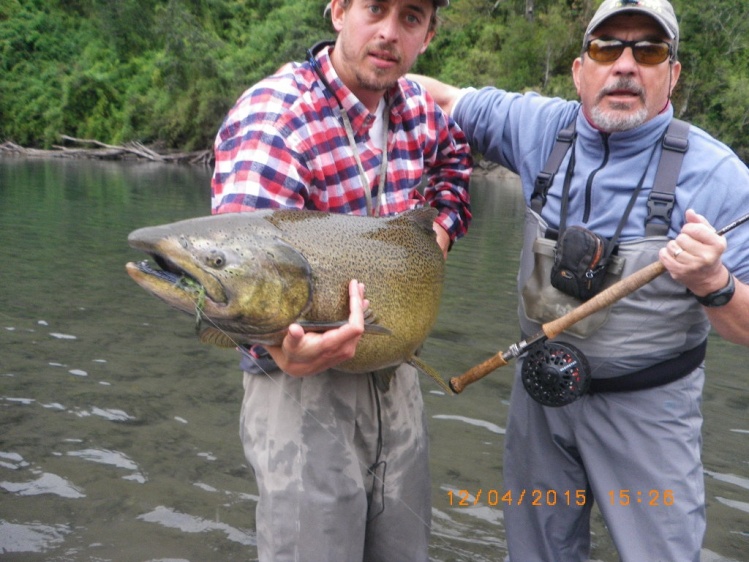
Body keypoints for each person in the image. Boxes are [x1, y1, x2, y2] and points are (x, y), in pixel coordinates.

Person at [411, 0, 749, 560]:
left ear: (673, 72)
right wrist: (325, 75)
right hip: (538, 398)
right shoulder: (540, 128)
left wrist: (714, 281)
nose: (625, 65)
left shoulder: (721, 179)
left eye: (649, 50)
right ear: (579, 70)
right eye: (605, 48)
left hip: (650, 411)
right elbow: (439, 97)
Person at [210, 0, 472, 560]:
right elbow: (240, 268)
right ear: (337, 11)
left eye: (410, 17)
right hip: (301, 389)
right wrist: (280, 345)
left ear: (427, 35)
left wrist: (437, 238)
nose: (388, 31)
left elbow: (454, 165)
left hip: (395, 374)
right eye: (375, 8)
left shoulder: (419, 111)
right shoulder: (277, 117)